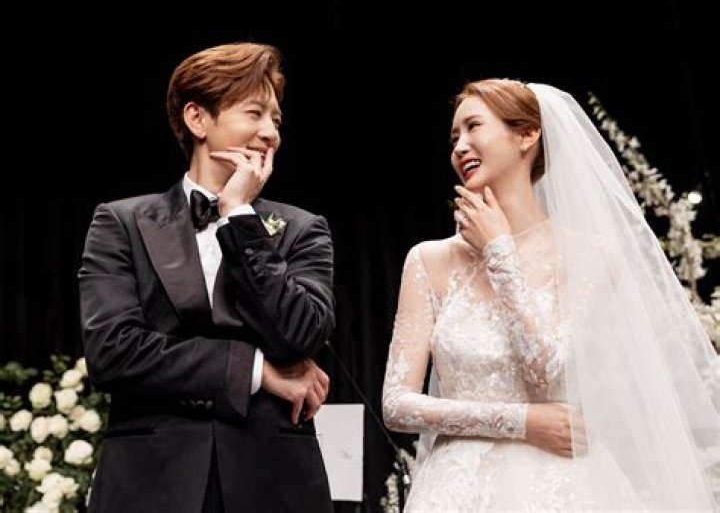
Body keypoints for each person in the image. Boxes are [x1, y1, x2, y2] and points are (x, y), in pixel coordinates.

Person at [382, 78, 720, 510]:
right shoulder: (429, 261)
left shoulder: (591, 254)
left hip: (560, 484)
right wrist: (522, 421)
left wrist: (499, 253)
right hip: (456, 489)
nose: (460, 146)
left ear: (527, 134)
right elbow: (397, 405)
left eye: (473, 127)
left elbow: (546, 370)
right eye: (454, 138)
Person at [78, 42, 335, 512]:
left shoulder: (303, 228)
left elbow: (301, 335)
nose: (270, 132)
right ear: (197, 118)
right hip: (152, 482)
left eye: (276, 120)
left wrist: (240, 217)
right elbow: (113, 352)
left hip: (272, 481)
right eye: (254, 113)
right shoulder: (121, 222)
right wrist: (254, 371)